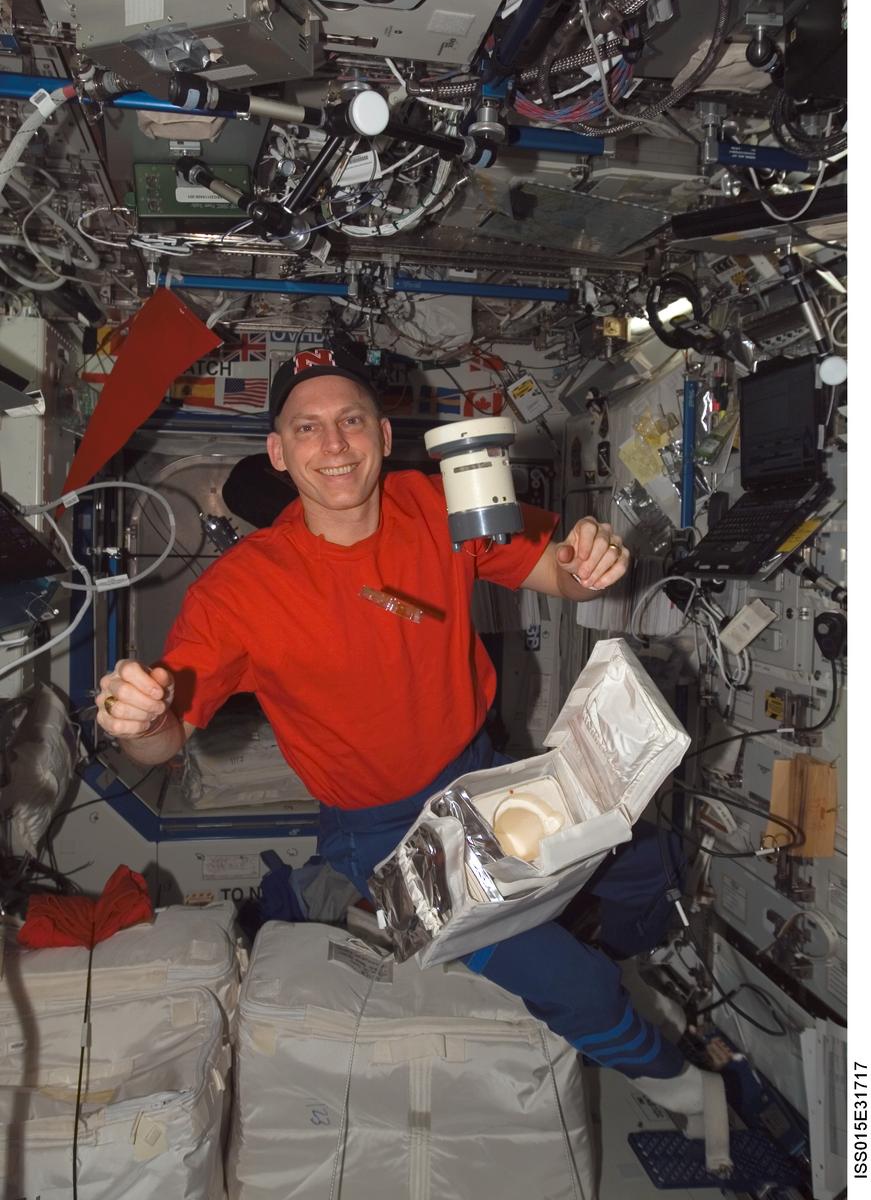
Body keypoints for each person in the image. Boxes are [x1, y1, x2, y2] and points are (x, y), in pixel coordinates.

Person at [96, 343, 724, 1137]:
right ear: (279, 452)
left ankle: (641, 968)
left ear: (384, 439)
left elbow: (554, 571)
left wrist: (588, 562)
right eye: (308, 428)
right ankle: (683, 1092)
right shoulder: (240, 591)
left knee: (634, 855)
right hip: (387, 832)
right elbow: (164, 741)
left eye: (352, 421)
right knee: (573, 982)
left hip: (483, 770)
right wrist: (142, 721)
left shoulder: (442, 504)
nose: (334, 445)